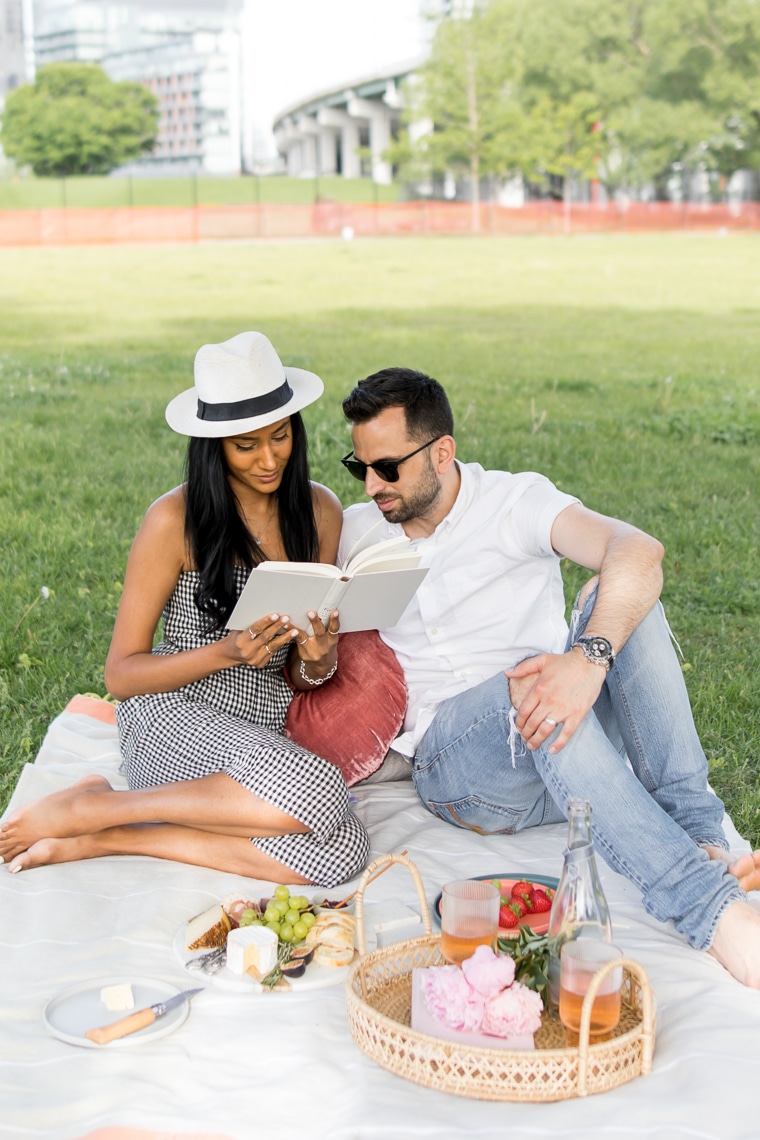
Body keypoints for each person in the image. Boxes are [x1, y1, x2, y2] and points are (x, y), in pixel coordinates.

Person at [338, 365, 760, 987]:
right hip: (461, 768)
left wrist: (588, 660)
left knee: (621, 599)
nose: (372, 485)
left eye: (388, 468)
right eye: (360, 467)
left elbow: (638, 550)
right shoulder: (356, 531)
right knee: (532, 685)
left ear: (442, 452)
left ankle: (699, 833)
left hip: (565, 739)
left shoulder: (513, 501)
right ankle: (712, 909)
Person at [0, 331, 369, 888]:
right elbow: (121, 675)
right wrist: (224, 652)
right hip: (169, 713)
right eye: (246, 446)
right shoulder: (172, 521)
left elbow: (299, 674)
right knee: (322, 793)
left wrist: (320, 659)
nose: (269, 458)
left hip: (260, 729)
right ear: (214, 444)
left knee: (346, 851)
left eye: (279, 435)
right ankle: (99, 812)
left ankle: (104, 824)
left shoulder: (320, 511)